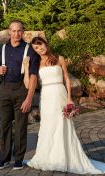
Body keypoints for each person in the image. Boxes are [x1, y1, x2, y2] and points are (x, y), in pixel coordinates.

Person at [23, 36, 105, 174]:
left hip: (59, 94)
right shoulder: (36, 63)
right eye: (36, 48)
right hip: (47, 96)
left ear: (45, 43)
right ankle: (49, 157)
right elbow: (28, 85)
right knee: (48, 126)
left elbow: (66, 78)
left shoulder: (59, 58)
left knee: (62, 124)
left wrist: (69, 98)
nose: (40, 49)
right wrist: (26, 68)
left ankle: (65, 157)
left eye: (40, 45)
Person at [0, 19, 39, 170]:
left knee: (20, 125)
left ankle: (18, 158)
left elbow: (33, 76)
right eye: (14, 31)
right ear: (9, 32)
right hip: (4, 89)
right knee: (4, 124)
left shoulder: (29, 50)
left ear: (23, 32)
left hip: (21, 90)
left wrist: (29, 97)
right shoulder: (1, 49)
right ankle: (4, 158)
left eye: (19, 31)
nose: (17, 33)